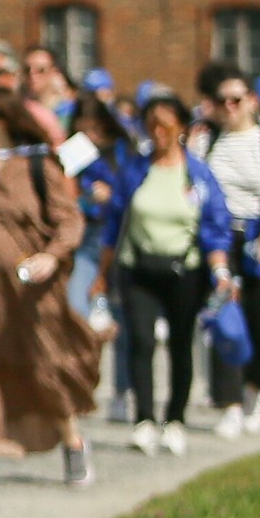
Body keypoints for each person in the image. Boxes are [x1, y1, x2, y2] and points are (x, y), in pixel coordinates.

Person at [0, 54, 100, 488]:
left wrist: (52, 256)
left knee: (44, 363)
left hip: (32, 286)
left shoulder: (37, 163)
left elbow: (70, 220)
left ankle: (71, 442)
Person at [101, 93, 236, 451]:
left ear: (181, 128)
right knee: (141, 341)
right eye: (151, 126)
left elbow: (214, 225)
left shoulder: (198, 175)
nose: (158, 133)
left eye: (165, 125)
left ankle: (175, 419)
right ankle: (143, 417)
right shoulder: (134, 170)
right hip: (138, 267)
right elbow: (115, 223)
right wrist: (103, 272)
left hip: (184, 270)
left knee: (180, 344)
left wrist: (221, 271)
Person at [192, 66, 260, 436]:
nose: (229, 107)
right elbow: (197, 185)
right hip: (221, 238)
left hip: (259, 236)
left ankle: (254, 389)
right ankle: (230, 402)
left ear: (251, 101)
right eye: (222, 101)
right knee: (225, 319)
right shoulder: (207, 143)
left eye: (236, 100)